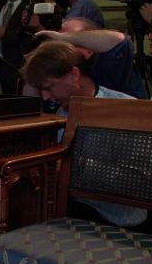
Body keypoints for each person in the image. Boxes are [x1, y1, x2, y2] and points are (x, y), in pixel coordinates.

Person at [20, 40, 141, 227]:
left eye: (49, 87)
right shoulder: (63, 111)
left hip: (113, 216)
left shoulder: (127, 110)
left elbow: (143, 180)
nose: (46, 98)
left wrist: (75, 165)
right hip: (71, 208)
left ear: (74, 75)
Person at [35, 17, 146, 98]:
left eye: (71, 42)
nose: (61, 50)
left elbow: (120, 40)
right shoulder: (60, 71)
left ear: (90, 47)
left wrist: (63, 37)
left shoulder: (105, 65)